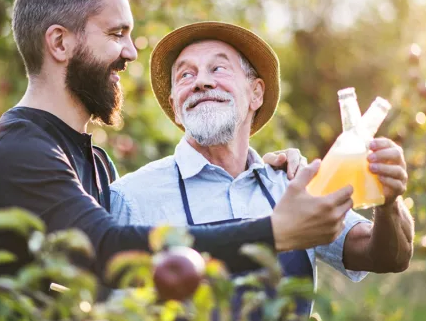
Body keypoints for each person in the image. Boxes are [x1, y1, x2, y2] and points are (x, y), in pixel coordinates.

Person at [0, 1, 359, 319]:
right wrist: (275, 232)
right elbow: (108, 249)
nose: (131, 52)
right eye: (116, 34)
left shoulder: (93, 161)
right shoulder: (17, 149)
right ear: (59, 43)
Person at [109, 22, 414, 318]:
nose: (201, 81)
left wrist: (388, 200)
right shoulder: (132, 198)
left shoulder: (293, 184)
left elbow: (388, 257)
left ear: (255, 93)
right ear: (175, 105)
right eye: (185, 75)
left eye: (218, 68)